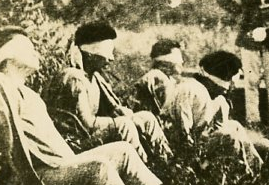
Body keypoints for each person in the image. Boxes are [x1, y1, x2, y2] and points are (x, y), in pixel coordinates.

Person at [0, 27, 167, 185]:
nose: (35, 52)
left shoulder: (25, 90)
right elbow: (5, 141)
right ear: (9, 53)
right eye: (29, 48)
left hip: (62, 164)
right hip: (42, 173)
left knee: (123, 151)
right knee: (98, 167)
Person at [45, 22, 173, 164]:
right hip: (74, 142)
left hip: (91, 134)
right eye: (107, 53)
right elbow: (86, 124)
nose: (111, 58)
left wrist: (127, 115)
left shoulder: (95, 77)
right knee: (124, 125)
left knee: (145, 117)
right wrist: (120, 121)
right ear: (90, 54)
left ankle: (167, 161)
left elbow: (113, 108)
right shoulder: (73, 78)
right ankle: (145, 166)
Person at [162, 51, 269, 172]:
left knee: (233, 126)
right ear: (218, 80)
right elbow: (182, 133)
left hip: (202, 146)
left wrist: (263, 144)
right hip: (180, 151)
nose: (232, 89)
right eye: (230, 85)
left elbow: (220, 131)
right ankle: (248, 173)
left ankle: (258, 166)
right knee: (228, 135)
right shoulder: (189, 90)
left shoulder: (218, 99)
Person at [133, 39, 184, 117]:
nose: (181, 61)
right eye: (177, 57)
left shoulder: (168, 79)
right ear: (164, 59)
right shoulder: (157, 77)